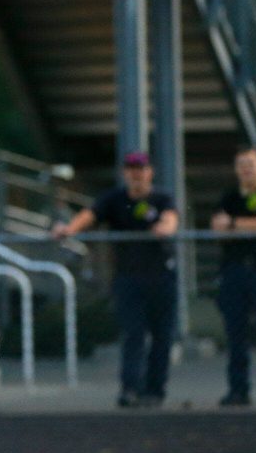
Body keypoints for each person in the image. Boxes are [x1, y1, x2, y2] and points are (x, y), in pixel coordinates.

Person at [52, 151, 179, 407]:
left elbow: (170, 220)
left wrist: (164, 228)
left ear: (149, 172)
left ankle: (155, 390)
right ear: (125, 173)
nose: (136, 174)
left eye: (141, 169)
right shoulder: (115, 199)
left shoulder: (162, 198)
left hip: (161, 278)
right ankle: (130, 388)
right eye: (132, 169)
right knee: (133, 334)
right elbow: (91, 214)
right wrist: (69, 230)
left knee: (162, 336)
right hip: (129, 279)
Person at [210, 146, 256, 406]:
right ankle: (238, 390)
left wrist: (233, 223)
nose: (247, 168)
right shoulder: (228, 196)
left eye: (251, 163)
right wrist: (248, 224)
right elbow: (216, 227)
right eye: (241, 164)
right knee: (236, 334)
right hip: (233, 270)